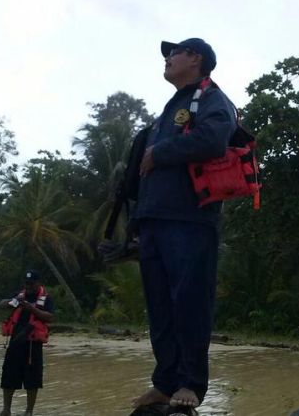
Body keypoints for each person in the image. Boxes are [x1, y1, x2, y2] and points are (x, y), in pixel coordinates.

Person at [131, 38, 237, 412]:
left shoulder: (212, 99)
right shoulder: (171, 107)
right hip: (154, 220)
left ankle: (191, 382)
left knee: (190, 303)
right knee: (160, 307)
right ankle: (165, 382)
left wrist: (160, 152)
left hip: (190, 220)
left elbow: (214, 139)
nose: (167, 59)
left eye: (173, 53)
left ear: (195, 58)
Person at [0, 270, 54, 416]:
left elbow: (49, 317)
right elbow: (1, 305)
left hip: (33, 344)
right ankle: (6, 409)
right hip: (16, 341)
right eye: (26, 283)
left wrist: (32, 309)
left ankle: (29, 411)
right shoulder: (19, 295)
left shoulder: (46, 298)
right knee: (8, 376)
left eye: (31, 283)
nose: (28, 286)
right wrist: (13, 302)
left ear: (38, 283)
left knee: (33, 379)